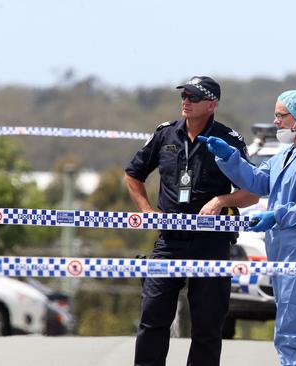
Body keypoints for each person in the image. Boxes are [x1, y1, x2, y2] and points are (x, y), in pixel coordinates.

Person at [199, 90, 296, 365]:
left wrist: (278, 215)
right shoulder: (289, 154)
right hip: (287, 258)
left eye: (280, 116)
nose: (275, 122)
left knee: (294, 339)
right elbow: (259, 181)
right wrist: (230, 158)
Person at [124, 76, 259, 366]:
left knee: (208, 327)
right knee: (152, 318)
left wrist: (222, 201)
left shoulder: (228, 140)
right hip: (169, 242)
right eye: (184, 95)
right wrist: (147, 211)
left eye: (194, 97)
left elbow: (252, 193)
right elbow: (132, 175)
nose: (186, 101)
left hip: (211, 243)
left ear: (212, 104)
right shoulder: (165, 134)